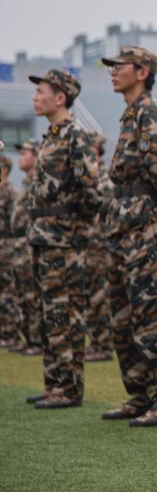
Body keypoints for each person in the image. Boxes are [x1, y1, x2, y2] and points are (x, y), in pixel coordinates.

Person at [98, 46, 157, 427]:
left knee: (152, 316)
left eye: (120, 67)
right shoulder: (129, 114)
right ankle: (140, 394)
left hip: (145, 226)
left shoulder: (150, 110)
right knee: (122, 317)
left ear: (142, 71)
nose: (113, 72)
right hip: (123, 226)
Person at [25, 69, 102, 409]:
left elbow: (90, 191)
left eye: (41, 91)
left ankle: (69, 388)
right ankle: (54, 382)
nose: (35, 97)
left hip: (65, 240)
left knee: (66, 313)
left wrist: (74, 230)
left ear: (60, 97)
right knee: (49, 313)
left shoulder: (75, 137)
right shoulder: (51, 137)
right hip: (44, 238)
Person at [83, 132, 115, 363]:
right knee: (90, 298)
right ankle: (95, 341)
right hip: (87, 246)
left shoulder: (105, 178)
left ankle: (103, 345)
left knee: (100, 298)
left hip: (100, 247)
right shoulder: (88, 177)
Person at [12, 140, 43, 356]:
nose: (21, 157)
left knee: (34, 296)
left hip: (32, 244)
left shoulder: (39, 183)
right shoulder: (25, 183)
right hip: (19, 245)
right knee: (22, 294)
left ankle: (37, 340)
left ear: (36, 156)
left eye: (24, 153)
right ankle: (29, 339)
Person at [0, 155, 18, 348]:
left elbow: (15, 221)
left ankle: (10, 333)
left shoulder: (10, 192)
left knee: (8, 293)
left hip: (6, 247)